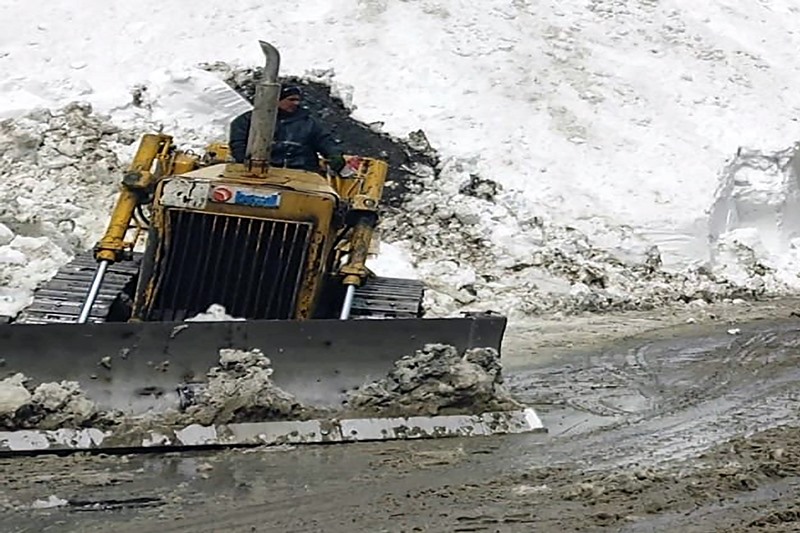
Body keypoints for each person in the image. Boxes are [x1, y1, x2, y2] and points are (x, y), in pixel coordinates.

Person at [228, 85, 346, 174]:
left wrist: (334, 155)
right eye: (291, 99)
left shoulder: (309, 123)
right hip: (259, 173)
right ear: (277, 100)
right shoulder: (249, 120)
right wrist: (246, 163)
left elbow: (325, 141)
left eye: (298, 100)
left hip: (302, 174)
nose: (296, 103)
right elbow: (238, 144)